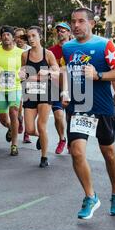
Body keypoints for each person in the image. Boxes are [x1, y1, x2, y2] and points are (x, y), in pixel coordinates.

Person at [62, 8, 115, 219]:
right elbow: (66, 70)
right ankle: (90, 197)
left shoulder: (104, 45)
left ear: (91, 23)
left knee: (108, 153)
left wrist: (98, 75)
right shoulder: (68, 47)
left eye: (81, 21)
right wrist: (64, 90)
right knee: (76, 151)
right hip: (79, 108)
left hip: (102, 108)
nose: (76, 25)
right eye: (73, 21)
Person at [20, 26, 59, 168]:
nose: (31, 39)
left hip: (45, 92)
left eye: (33, 36)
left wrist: (47, 72)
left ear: (40, 37)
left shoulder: (47, 54)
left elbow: (57, 72)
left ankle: (44, 157)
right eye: (29, 37)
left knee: (41, 125)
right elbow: (23, 72)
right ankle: (41, 138)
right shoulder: (25, 55)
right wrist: (21, 75)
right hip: (30, 92)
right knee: (29, 129)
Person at [0, 26, 24, 156]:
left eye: (8, 34)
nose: (5, 36)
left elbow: (26, 68)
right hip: (0, 89)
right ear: (1, 37)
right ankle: (10, 127)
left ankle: (14, 145)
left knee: (13, 112)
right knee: (3, 119)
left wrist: (23, 74)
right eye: (3, 34)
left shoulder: (20, 52)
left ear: (13, 37)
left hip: (15, 87)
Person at [48, 22, 71, 154]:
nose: (60, 33)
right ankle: (62, 139)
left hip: (73, 88)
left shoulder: (75, 48)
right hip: (55, 88)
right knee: (58, 116)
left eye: (63, 30)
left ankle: (71, 140)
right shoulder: (51, 51)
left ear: (69, 32)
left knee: (70, 117)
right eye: (58, 31)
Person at [14, 27, 32, 144]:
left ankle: (27, 133)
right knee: (19, 108)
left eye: (22, 37)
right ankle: (20, 120)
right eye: (17, 37)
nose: (19, 39)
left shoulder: (31, 50)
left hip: (29, 82)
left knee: (28, 108)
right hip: (15, 82)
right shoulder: (12, 50)